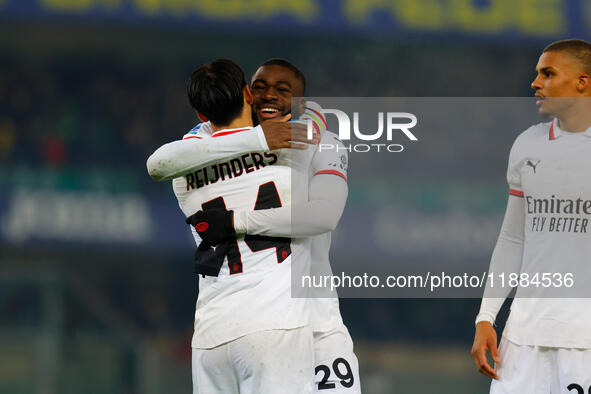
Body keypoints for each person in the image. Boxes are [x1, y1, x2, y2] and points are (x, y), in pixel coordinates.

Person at [147, 58, 361, 393]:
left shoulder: (191, 155)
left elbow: (159, 163)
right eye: (260, 88)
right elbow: (322, 213)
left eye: (282, 90)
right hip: (280, 323)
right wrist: (265, 137)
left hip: (216, 331)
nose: (269, 97)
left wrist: (234, 220)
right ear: (248, 94)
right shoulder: (300, 146)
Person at [472, 39, 591, 393]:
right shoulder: (528, 145)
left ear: (582, 82)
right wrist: (485, 317)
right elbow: (513, 239)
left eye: (548, 73)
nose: (535, 83)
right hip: (521, 341)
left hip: (584, 344)